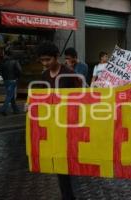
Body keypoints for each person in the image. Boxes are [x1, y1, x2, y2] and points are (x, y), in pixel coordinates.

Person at [36, 41, 82, 200]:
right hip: (53, 126)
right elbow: (41, 98)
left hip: (69, 125)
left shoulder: (69, 74)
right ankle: (67, 195)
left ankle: (69, 195)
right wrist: (32, 106)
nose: (45, 63)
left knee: (68, 164)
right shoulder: (43, 75)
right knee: (59, 165)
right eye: (42, 60)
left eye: (48, 59)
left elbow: (81, 97)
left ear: (56, 57)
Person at [0, 49, 22, 116]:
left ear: (6, 54)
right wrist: (17, 77)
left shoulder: (2, 62)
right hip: (13, 80)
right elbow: (20, 70)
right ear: (11, 55)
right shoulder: (15, 61)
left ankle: (15, 110)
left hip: (6, 80)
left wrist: (3, 76)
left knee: (11, 95)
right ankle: (3, 109)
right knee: (10, 95)